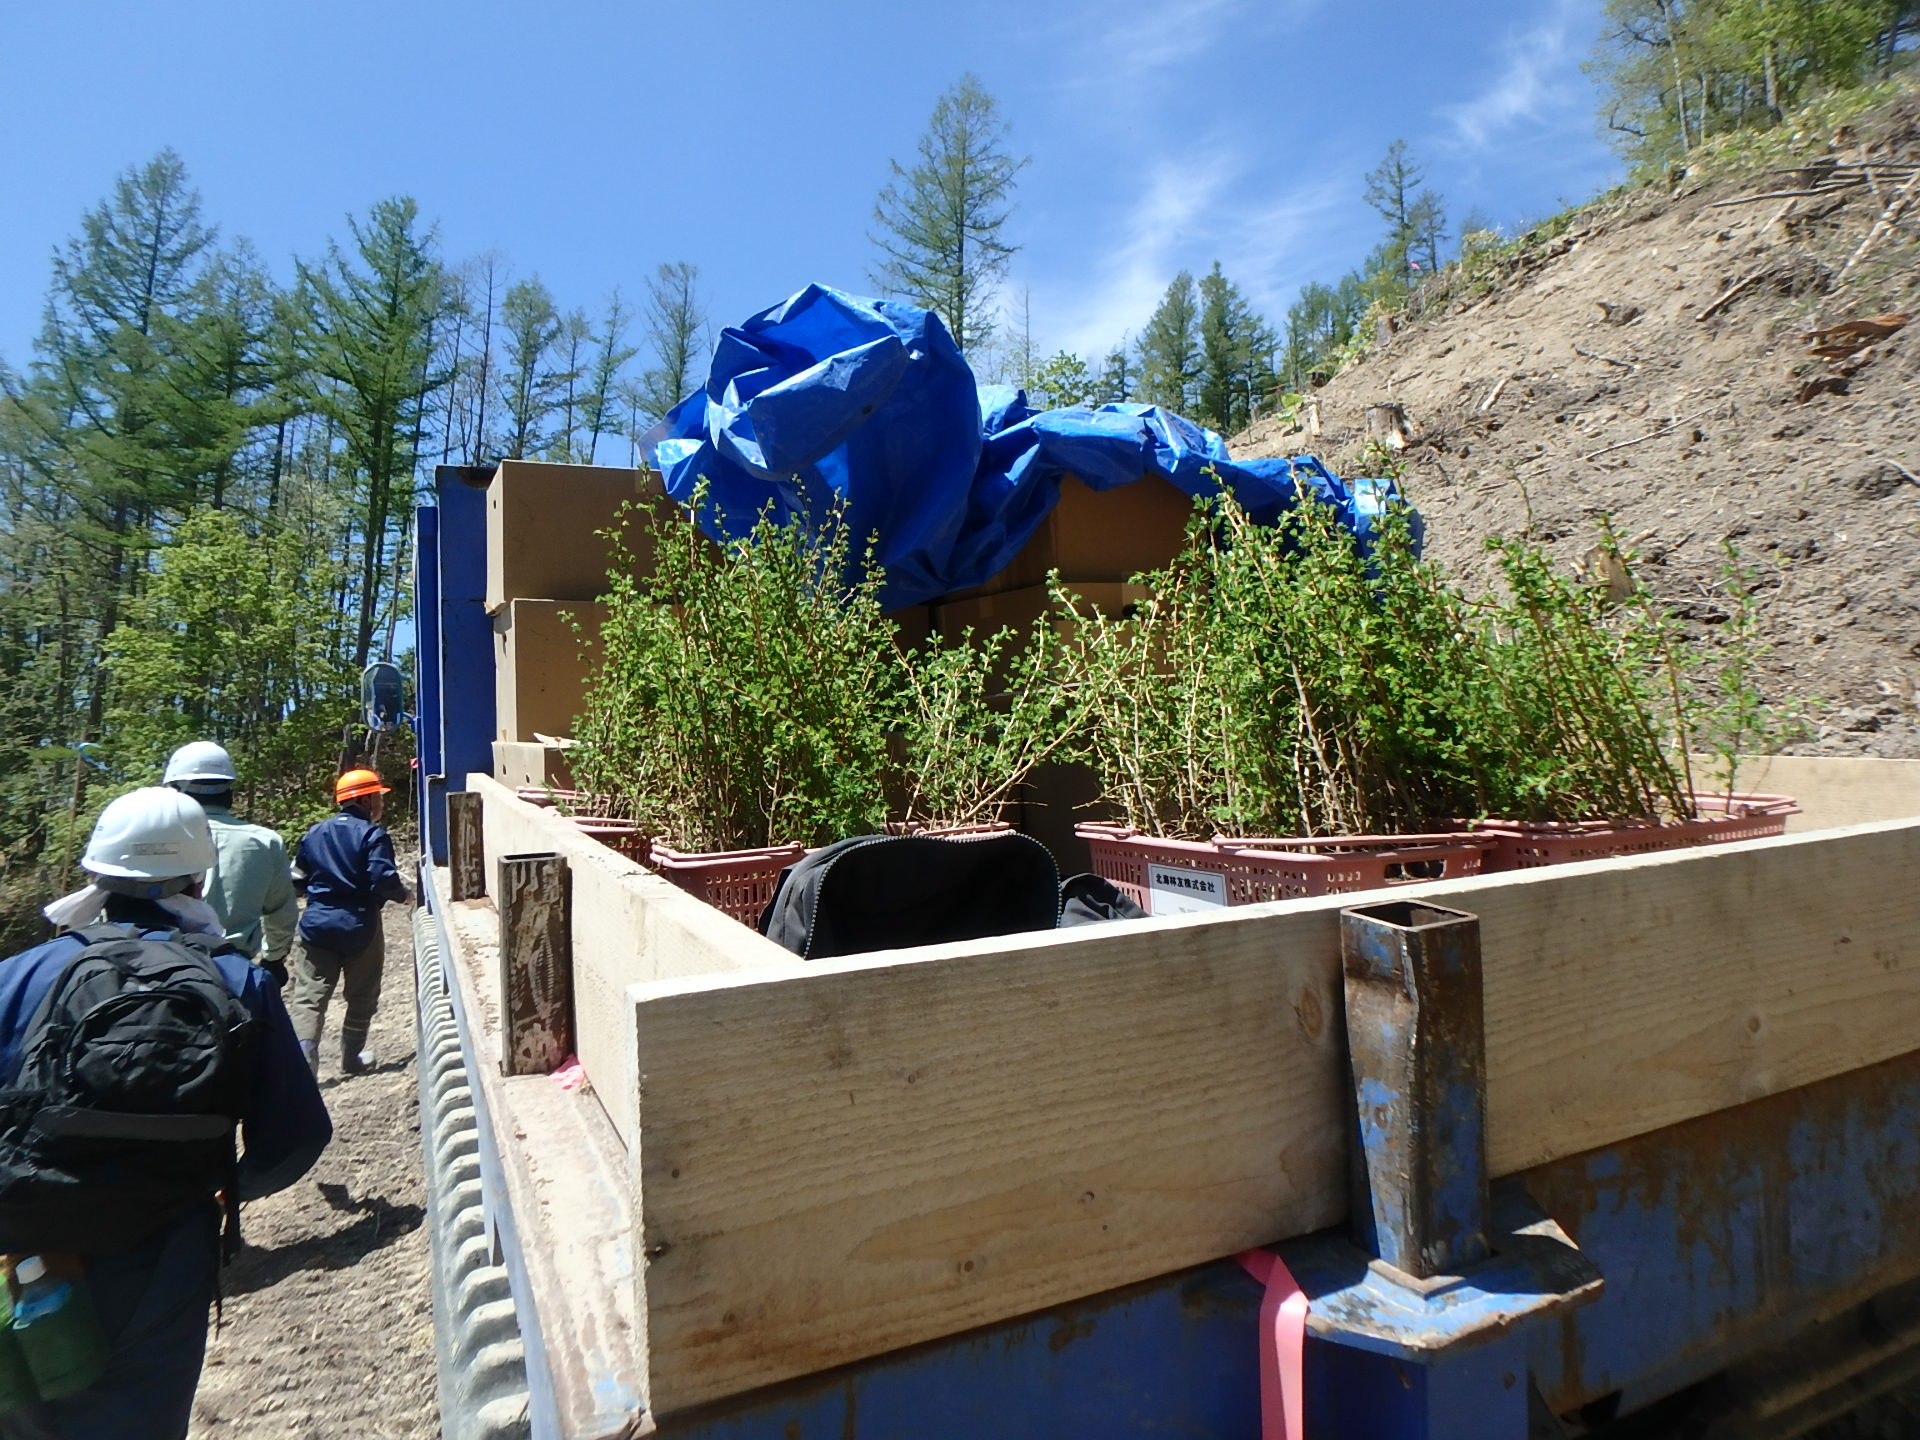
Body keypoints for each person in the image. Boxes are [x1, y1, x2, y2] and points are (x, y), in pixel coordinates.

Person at [0, 788, 331, 1440]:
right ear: (197, 876)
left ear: (95, 871)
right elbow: (296, 1138)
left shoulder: (16, 976)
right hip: (165, 1252)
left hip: (25, 1246)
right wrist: (223, 1184)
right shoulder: (239, 980)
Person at [289, 769, 410, 1076]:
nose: (382, 805)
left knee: (309, 997)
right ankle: (352, 1059)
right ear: (366, 799)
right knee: (361, 995)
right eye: (379, 798)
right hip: (359, 924)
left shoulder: (314, 833)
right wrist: (405, 896)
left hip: (316, 924)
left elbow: (296, 880)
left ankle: (304, 1063)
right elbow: (382, 879)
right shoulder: (372, 835)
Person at [162, 741, 297, 989]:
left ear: (175, 789)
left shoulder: (157, 836)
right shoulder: (266, 842)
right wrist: (274, 959)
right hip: (234, 975)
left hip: (162, 971)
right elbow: (281, 913)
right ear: (229, 791)